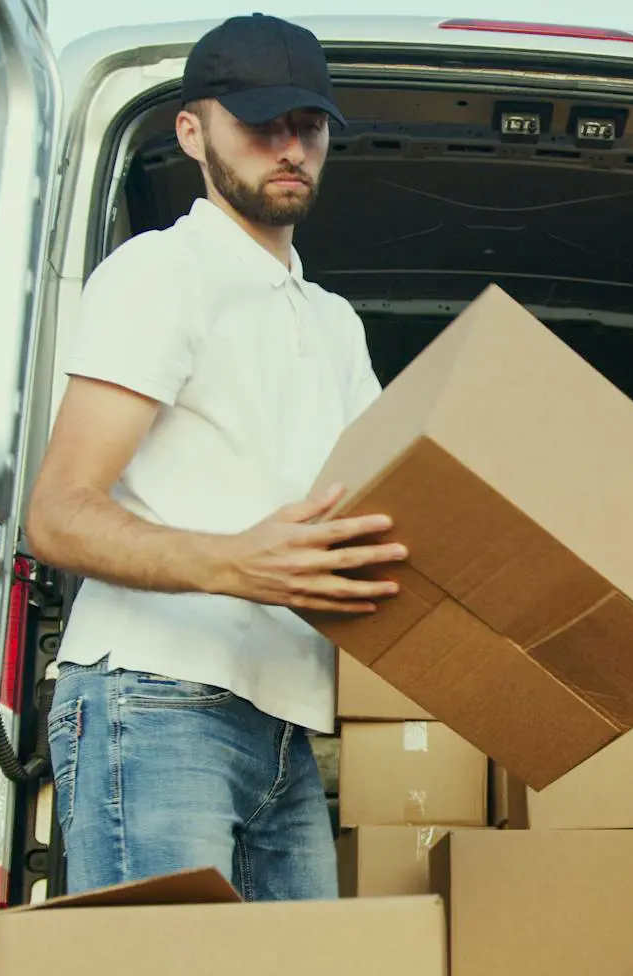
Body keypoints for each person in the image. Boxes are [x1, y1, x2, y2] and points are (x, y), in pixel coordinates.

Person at [26, 13, 400, 900]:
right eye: (260, 124)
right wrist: (239, 562)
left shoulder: (332, 323)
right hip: (154, 700)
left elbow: (386, 505)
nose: (289, 148)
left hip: (287, 728)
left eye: (307, 127)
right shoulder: (164, 272)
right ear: (193, 132)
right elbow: (55, 514)